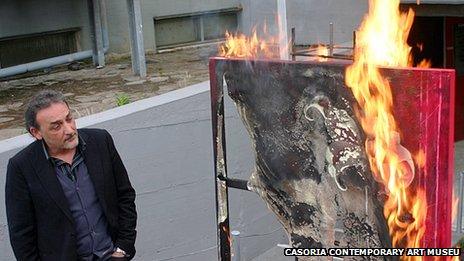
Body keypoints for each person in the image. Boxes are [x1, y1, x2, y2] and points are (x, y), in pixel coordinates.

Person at [5, 90, 137, 260]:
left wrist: (122, 249)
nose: (69, 129)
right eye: (56, 126)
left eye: (69, 118)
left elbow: (125, 196)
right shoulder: (21, 167)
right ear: (36, 133)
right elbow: (21, 234)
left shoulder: (100, 142)